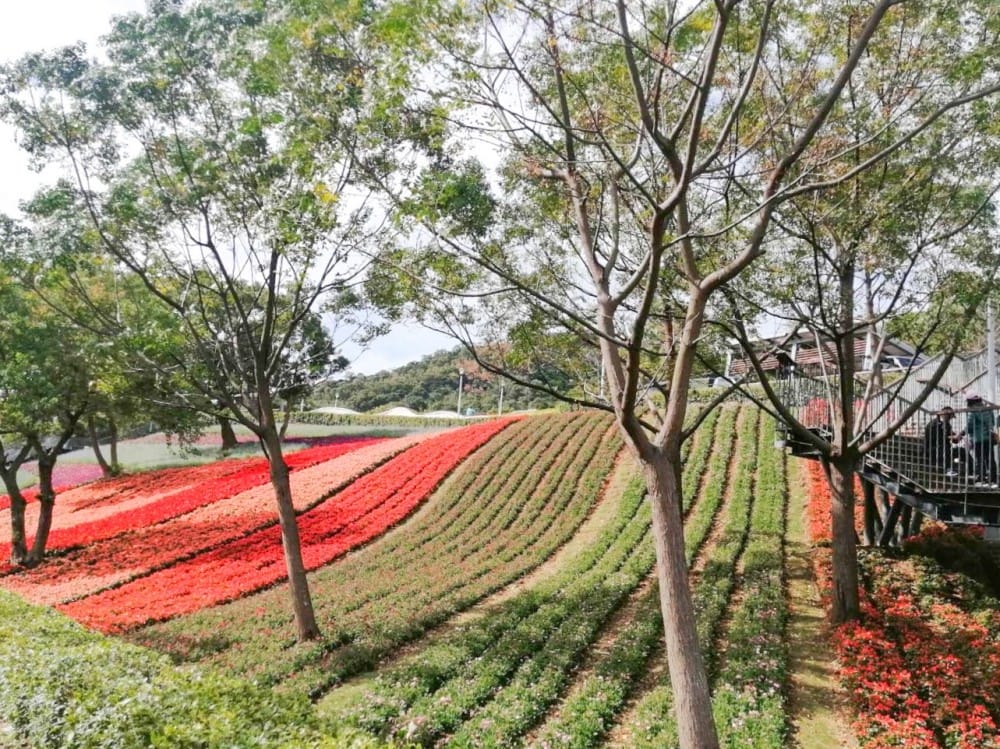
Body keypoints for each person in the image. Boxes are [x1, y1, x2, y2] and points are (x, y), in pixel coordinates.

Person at [923, 406, 967, 477]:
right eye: (949, 417)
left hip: (944, 449)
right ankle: (948, 469)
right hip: (933, 449)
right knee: (945, 449)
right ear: (944, 415)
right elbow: (936, 438)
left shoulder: (947, 425)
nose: (950, 419)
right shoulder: (934, 424)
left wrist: (958, 437)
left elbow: (953, 438)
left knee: (962, 451)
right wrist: (950, 437)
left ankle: (972, 470)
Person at [965, 394, 997, 485]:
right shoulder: (988, 409)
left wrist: (961, 434)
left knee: (979, 458)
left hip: (978, 438)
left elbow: (969, 425)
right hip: (988, 437)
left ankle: (981, 478)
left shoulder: (972, 411)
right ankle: (993, 479)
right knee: (990, 459)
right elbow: (993, 422)